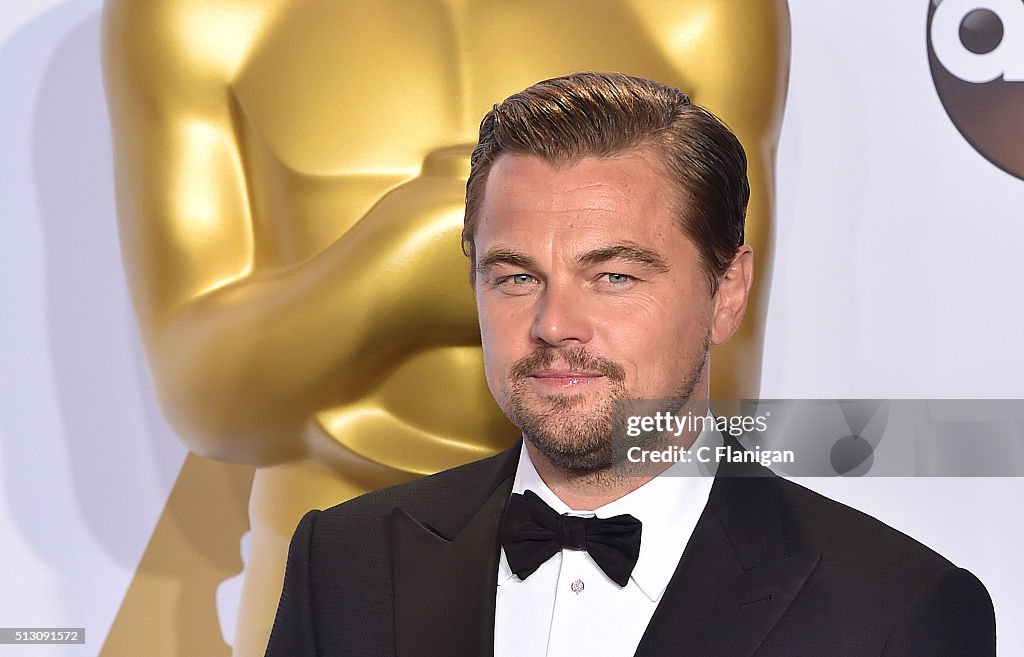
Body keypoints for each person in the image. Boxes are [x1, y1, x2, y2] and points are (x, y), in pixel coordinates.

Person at [263, 72, 995, 657]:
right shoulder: (345, 564)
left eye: (614, 275)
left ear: (727, 292)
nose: (553, 325)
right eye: (515, 276)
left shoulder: (896, 612)